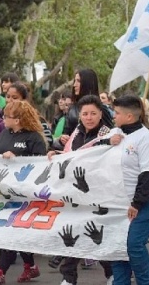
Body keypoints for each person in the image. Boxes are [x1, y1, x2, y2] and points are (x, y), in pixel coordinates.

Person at [47, 95, 113, 285]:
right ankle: (68, 276)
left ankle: (111, 273)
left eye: (93, 113)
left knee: (97, 235)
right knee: (73, 234)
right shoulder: (76, 133)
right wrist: (55, 154)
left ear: (101, 114)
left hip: (98, 195)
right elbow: (70, 156)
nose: (89, 117)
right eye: (85, 113)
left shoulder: (109, 135)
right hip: (74, 194)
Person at [0, 101, 47, 284]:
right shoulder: (6, 134)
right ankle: (30, 267)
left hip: (25, 194)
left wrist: (17, 159)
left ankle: (0, 272)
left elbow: (41, 166)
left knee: (11, 232)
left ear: (17, 120)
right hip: (4, 192)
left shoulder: (34, 138)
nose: (2, 119)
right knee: (11, 232)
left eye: (6, 116)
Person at [109, 95, 149, 285]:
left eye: (117, 113)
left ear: (129, 117)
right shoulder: (115, 132)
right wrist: (107, 142)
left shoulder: (147, 139)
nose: (113, 116)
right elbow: (92, 150)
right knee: (117, 245)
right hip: (118, 202)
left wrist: (137, 203)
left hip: (146, 201)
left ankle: (146, 282)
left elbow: (148, 175)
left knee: (134, 245)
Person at [60, 69, 113, 141]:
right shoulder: (72, 108)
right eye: (74, 81)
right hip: (73, 149)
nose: (74, 85)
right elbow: (66, 132)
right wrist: (63, 139)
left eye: (78, 81)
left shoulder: (101, 109)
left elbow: (109, 134)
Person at [6, 82, 53, 147]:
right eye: (8, 97)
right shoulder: (4, 119)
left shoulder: (37, 119)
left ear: (24, 100)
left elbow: (48, 141)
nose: (10, 100)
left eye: (14, 98)